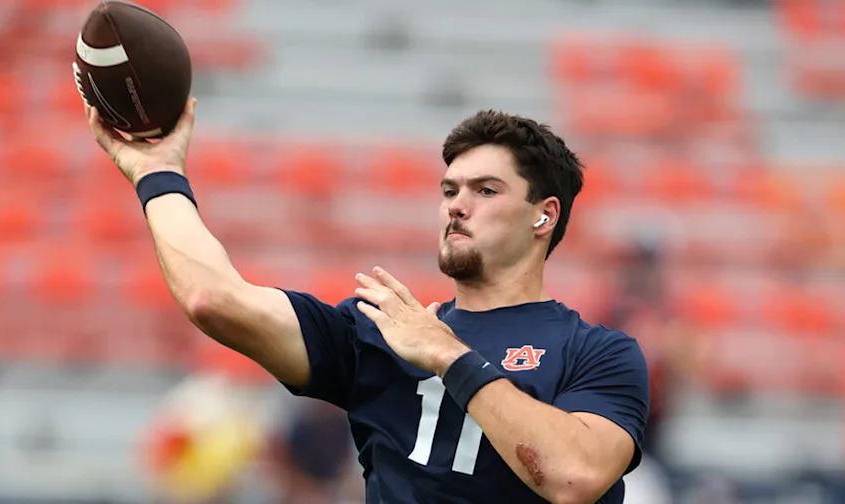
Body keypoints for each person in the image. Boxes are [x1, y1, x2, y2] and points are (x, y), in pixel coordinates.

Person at [86, 100, 650, 503]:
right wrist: (157, 173)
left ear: (543, 215)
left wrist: (450, 358)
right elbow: (213, 298)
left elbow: (573, 478)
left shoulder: (598, 353)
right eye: (449, 190)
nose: (456, 205)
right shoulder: (379, 333)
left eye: (485, 190)